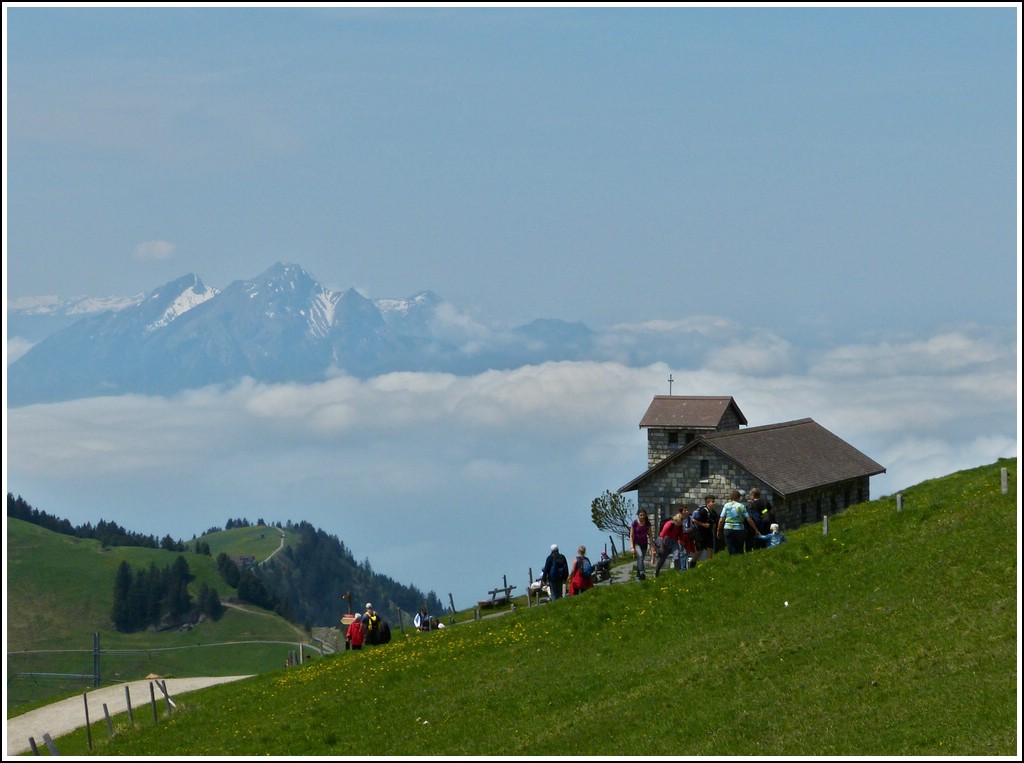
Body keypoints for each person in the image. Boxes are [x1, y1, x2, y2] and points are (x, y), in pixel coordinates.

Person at [717, 490, 760, 556]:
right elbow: (749, 519)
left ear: (731, 497)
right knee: (740, 548)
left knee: (731, 547)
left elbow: (721, 520)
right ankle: (739, 562)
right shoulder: (741, 506)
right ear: (738, 497)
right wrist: (756, 529)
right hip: (739, 529)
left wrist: (718, 529)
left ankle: (733, 561)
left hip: (728, 529)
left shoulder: (726, 506)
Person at [654, 513, 685, 578]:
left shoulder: (680, 526)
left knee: (677, 555)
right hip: (665, 541)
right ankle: (656, 572)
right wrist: (661, 547)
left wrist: (682, 543)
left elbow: (681, 535)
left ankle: (677, 573)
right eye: (678, 523)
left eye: (681, 523)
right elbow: (662, 536)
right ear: (675, 520)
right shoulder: (668, 524)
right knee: (662, 559)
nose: (679, 525)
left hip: (674, 542)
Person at [745, 487, 775, 551]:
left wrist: (760, 515)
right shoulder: (765, 501)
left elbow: (751, 516)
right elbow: (769, 509)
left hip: (758, 524)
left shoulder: (751, 505)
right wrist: (762, 513)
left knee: (759, 540)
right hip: (768, 522)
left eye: (750, 495)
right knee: (768, 537)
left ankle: (759, 550)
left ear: (753, 495)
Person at [691, 495, 717, 562]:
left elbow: (714, 523)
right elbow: (694, 520)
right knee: (700, 551)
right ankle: (692, 564)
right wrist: (703, 525)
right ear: (708, 502)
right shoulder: (703, 511)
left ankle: (708, 566)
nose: (714, 503)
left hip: (709, 534)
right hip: (700, 534)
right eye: (713, 502)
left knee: (710, 549)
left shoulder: (714, 513)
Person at [629, 509, 652, 580]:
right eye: (640, 515)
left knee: (640, 559)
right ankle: (642, 572)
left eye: (643, 515)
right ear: (638, 515)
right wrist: (632, 547)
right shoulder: (635, 523)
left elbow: (650, 535)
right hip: (636, 543)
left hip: (644, 544)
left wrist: (652, 545)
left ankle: (638, 576)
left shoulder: (647, 524)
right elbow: (631, 536)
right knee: (640, 556)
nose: (642, 516)